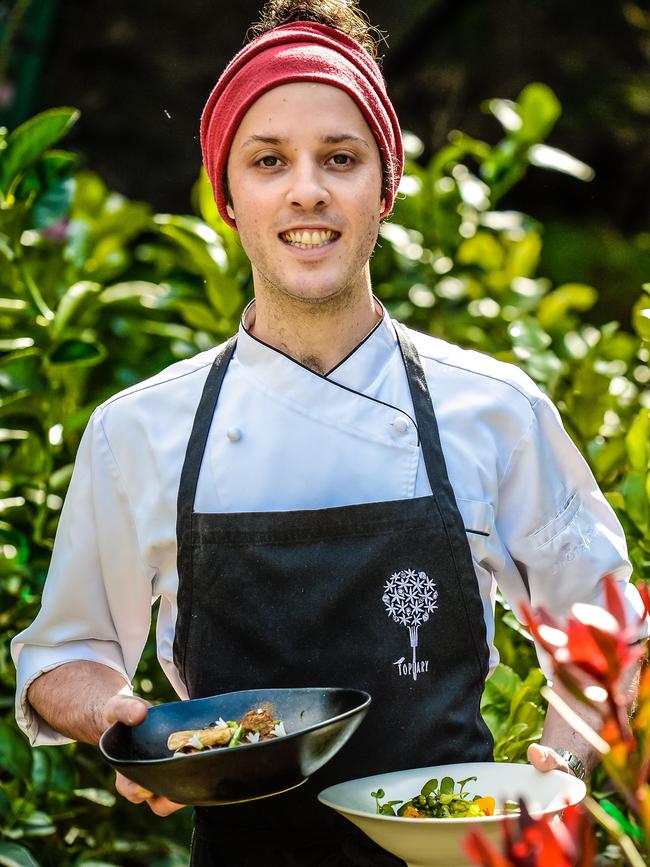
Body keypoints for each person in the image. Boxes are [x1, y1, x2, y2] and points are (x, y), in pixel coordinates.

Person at [11, 1, 648, 865]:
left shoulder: (494, 408)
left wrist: (559, 766)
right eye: (268, 160)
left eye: (340, 158)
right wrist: (123, 720)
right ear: (227, 196)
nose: (307, 187)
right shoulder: (140, 432)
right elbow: (63, 657)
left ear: (385, 189)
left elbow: (607, 625)